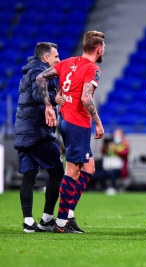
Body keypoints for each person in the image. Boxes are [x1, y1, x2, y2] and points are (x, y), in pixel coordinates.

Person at [36, 30, 106, 233]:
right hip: (77, 122)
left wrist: (49, 105)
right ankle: (61, 223)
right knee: (72, 170)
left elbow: (41, 77)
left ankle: (67, 214)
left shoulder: (67, 62)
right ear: (99, 48)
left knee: (89, 167)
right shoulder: (93, 68)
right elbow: (86, 98)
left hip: (65, 120)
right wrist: (99, 123)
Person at [14, 42, 64, 232]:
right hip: (37, 133)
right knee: (57, 172)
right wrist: (54, 99)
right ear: (46, 58)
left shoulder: (28, 71)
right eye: (56, 56)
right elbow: (38, 94)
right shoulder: (40, 72)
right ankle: (46, 219)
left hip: (23, 132)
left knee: (28, 177)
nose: (58, 60)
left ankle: (28, 222)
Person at [101, 128, 130, 195]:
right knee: (98, 174)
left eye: (118, 134)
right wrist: (105, 146)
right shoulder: (110, 143)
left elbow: (124, 153)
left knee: (112, 173)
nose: (116, 135)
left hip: (120, 167)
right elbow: (103, 152)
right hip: (108, 166)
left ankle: (113, 188)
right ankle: (102, 187)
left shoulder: (124, 144)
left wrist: (115, 149)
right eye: (115, 133)